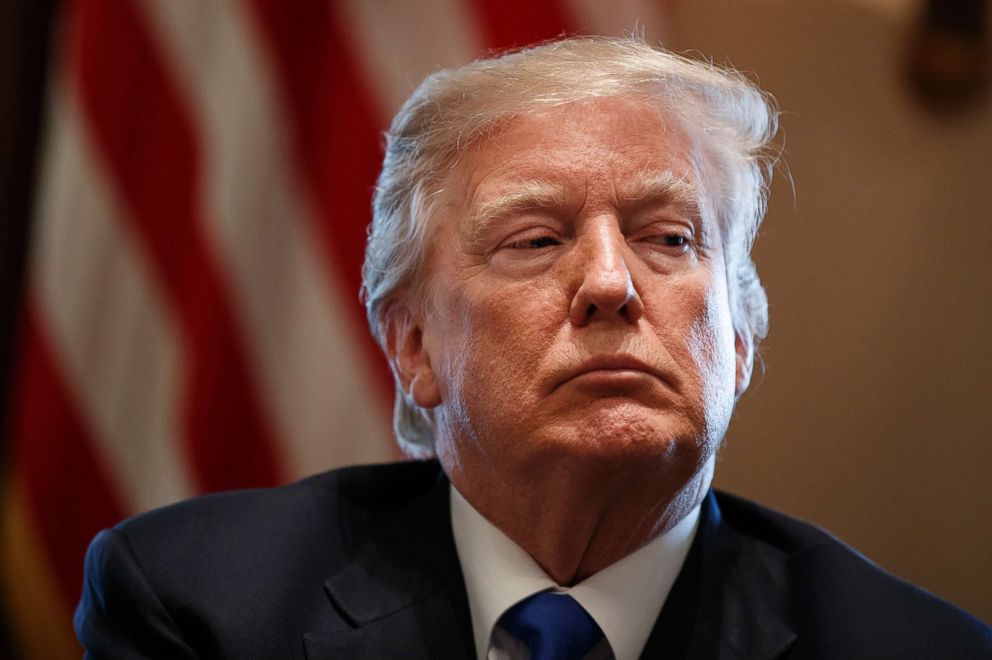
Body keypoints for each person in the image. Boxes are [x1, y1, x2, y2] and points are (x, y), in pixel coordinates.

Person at [76, 37, 991, 659]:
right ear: (413, 345)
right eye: (537, 240)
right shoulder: (199, 607)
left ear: (740, 340)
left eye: (669, 238)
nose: (609, 283)